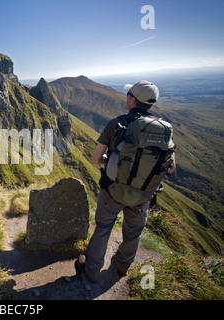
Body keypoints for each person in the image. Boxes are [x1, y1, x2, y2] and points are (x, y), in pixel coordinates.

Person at [75, 80, 176, 283]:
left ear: (132, 99)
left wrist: (111, 160)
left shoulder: (117, 124)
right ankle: (122, 267)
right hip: (144, 193)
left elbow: (95, 159)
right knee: (133, 232)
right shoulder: (164, 129)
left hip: (113, 189)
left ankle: (92, 270)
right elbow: (171, 167)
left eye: (128, 95)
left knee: (103, 227)